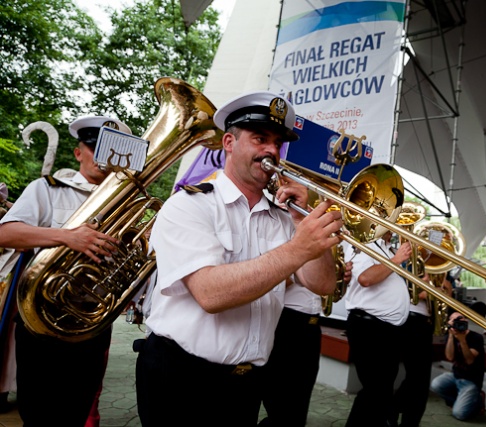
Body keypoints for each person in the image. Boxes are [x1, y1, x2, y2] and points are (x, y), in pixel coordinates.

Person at [134, 91, 340, 427]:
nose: (271, 151)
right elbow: (211, 294)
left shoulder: (283, 217)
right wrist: (298, 249)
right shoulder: (191, 205)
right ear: (229, 142)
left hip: (246, 382)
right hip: (182, 377)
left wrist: (304, 222)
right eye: (260, 138)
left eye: (277, 142)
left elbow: (323, 284)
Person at [0, 115, 131, 426]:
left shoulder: (126, 202)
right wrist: (68, 237)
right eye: (95, 147)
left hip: (91, 325)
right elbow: (5, 233)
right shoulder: (48, 189)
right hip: (41, 323)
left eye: (113, 150)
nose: (103, 157)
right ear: (78, 153)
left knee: (77, 411)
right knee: (40, 414)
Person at [258, 256, 353, 427]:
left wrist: (339, 280)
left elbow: (334, 295)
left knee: (301, 397)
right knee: (279, 398)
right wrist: (301, 268)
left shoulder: (323, 249)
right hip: (286, 320)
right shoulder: (286, 240)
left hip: (312, 325)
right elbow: (267, 283)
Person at [344, 230, 411, 427]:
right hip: (369, 327)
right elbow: (365, 278)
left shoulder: (387, 248)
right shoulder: (363, 243)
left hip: (385, 329)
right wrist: (396, 259)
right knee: (376, 391)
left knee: (381, 391)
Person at [390, 272, 451, 427]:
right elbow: (412, 292)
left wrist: (445, 288)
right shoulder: (410, 263)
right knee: (418, 379)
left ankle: (397, 413)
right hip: (410, 319)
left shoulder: (436, 270)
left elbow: (446, 296)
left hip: (424, 322)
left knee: (419, 379)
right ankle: (393, 411)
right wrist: (432, 288)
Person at [430, 311, 486, 421]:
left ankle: (478, 399)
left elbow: (469, 360)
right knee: (436, 384)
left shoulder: (476, 337)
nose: (457, 323)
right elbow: (450, 357)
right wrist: (451, 336)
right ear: (449, 322)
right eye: (453, 320)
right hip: (455, 376)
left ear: (466, 321)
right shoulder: (450, 335)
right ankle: (460, 400)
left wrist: (462, 340)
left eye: (460, 319)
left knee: (459, 414)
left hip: (472, 380)